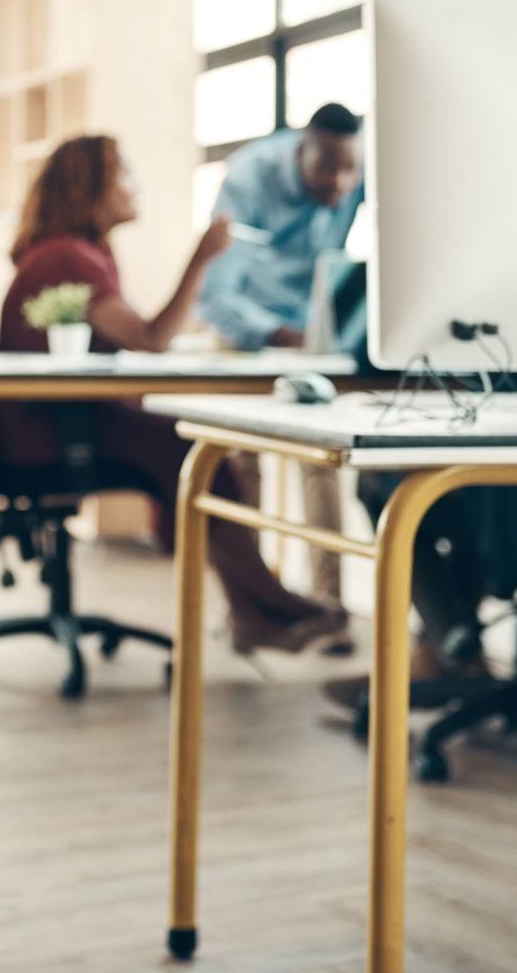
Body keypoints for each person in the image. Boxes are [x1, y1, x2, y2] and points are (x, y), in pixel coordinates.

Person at [0, 135, 344, 653]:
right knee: (196, 451)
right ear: (91, 186)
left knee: (196, 449)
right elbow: (151, 339)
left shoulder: (80, 253)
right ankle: (266, 605)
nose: (135, 187)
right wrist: (201, 259)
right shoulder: (67, 255)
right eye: (124, 176)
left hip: (68, 421)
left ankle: (255, 611)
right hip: (50, 435)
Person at [197, 102, 365, 636]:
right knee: (242, 460)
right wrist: (278, 334)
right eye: (327, 170)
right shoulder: (249, 180)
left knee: (321, 460)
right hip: (247, 327)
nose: (340, 185)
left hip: (310, 332)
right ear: (301, 150)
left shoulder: (356, 175)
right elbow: (216, 292)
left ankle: (328, 607)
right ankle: (253, 603)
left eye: (349, 171)